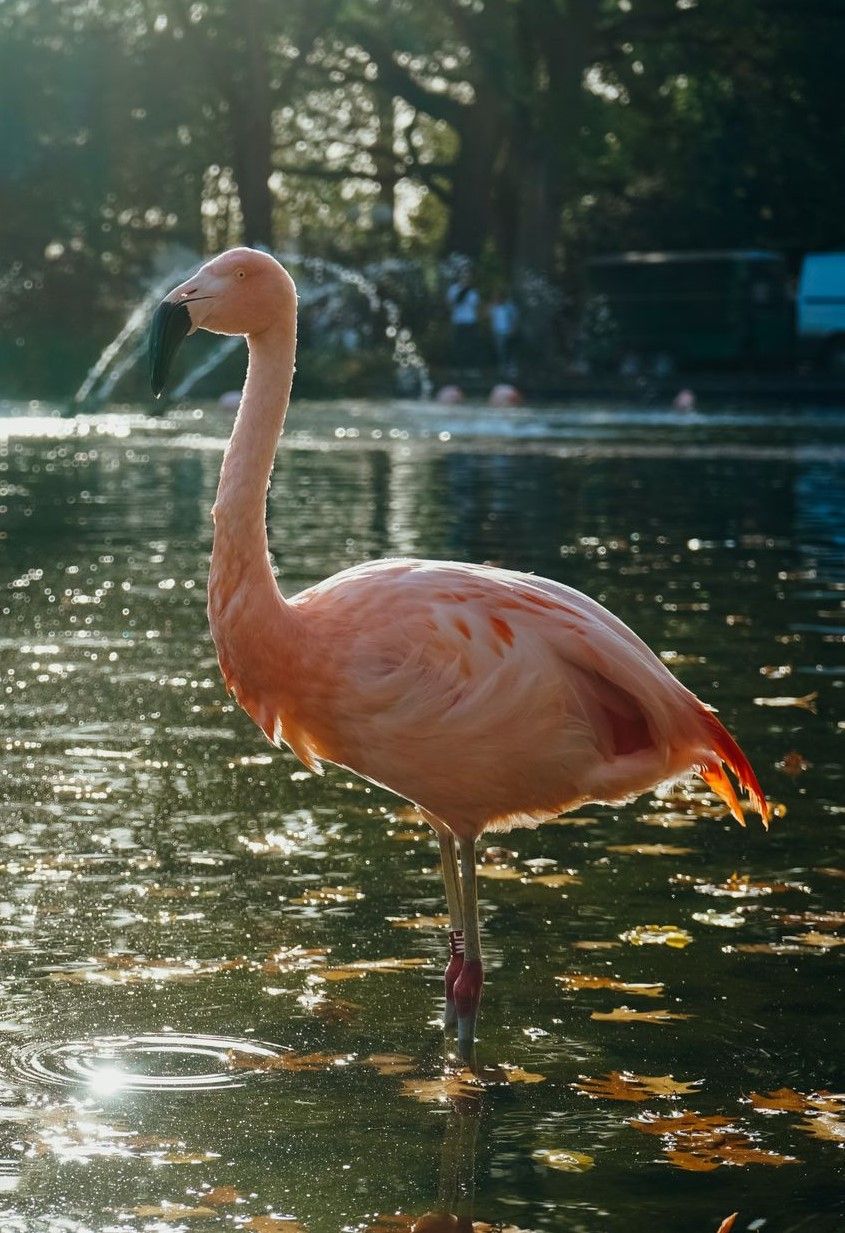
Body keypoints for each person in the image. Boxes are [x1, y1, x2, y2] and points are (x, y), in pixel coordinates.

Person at [446, 271, 481, 367]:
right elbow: (450, 305)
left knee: (471, 345)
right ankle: (459, 367)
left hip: (470, 321)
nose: (465, 279)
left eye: (467, 277)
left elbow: (476, 307)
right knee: (458, 345)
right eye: (463, 277)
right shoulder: (453, 289)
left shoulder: (473, 291)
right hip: (458, 321)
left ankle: (471, 366)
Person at [488, 289, 519, 371]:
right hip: (498, 332)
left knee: (510, 350)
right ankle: (502, 367)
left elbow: (514, 318)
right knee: (500, 350)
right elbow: (491, 319)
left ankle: (512, 367)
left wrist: (513, 329)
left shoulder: (509, 307)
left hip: (508, 331)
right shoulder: (493, 308)